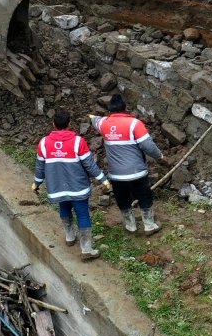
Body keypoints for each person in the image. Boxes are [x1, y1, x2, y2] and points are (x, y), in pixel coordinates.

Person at [33, 108, 111, 260]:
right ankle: (86, 248)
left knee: (64, 207)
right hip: (78, 187)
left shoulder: (43, 144)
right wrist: (103, 179)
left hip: (57, 188)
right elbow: (89, 165)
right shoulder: (78, 142)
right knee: (82, 214)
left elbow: (40, 167)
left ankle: (69, 236)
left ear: (53, 124)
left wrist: (36, 183)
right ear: (69, 124)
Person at [91, 93, 164, 235]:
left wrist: (91, 117)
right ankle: (149, 225)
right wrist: (160, 156)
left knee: (122, 198)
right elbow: (148, 146)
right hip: (137, 172)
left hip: (116, 175)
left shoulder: (103, 124)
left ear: (110, 110)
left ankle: (131, 225)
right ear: (125, 109)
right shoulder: (135, 124)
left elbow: (94, 120)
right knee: (144, 196)